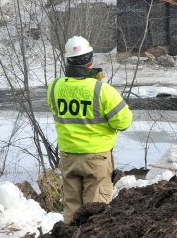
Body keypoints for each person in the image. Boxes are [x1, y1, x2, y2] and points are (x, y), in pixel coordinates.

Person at [48, 36, 132, 224]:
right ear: (91, 60)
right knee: (96, 213)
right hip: (96, 159)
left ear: (68, 60)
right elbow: (123, 122)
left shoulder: (54, 87)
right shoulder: (103, 90)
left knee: (71, 208)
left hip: (69, 157)